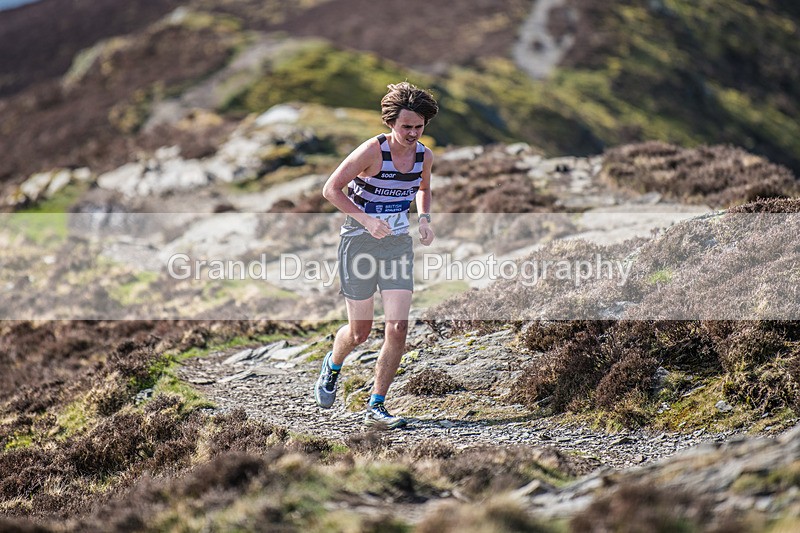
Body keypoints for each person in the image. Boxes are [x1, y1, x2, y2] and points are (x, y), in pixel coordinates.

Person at [314, 82, 438, 429]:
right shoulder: (372, 151)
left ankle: (377, 405)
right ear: (391, 123)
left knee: (398, 327)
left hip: (396, 245)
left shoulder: (424, 156)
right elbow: (330, 189)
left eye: (419, 127)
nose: (413, 133)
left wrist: (424, 219)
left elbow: (424, 188)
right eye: (406, 126)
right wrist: (367, 221)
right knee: (360, 333)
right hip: (359, 244)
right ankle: (333, 364)